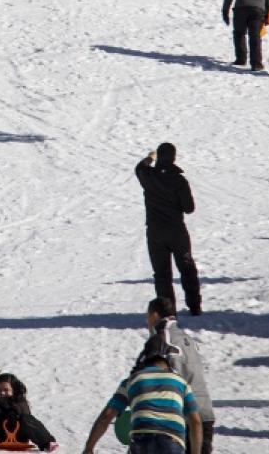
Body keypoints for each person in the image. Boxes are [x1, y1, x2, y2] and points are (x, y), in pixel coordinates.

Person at [82, 333, 203, 454]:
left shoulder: (132, 380)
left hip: (141, 441)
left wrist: (89, 448)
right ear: (168, 366)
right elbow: (196, 422)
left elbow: (107, 415)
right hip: (172, 442)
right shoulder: (180, 382)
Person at [136, 143, 202, 316]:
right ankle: (195, 306)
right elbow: (189, 208)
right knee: (187, 268)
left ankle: (168, 311)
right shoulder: (179, 180)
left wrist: (150, 158)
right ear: (173, 157)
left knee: (161, 274)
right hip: (176, 231)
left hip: (155, 232)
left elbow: (139, 167)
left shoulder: (148, 176)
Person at [146, 297, 215, 454]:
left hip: (184, 417)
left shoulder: (162, 340)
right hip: (205, 412)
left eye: (147, 316)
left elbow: (158, 378)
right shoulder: (187, 339)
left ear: (154, 315)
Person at [0, 373, 57, 451]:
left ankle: (47, 443)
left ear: (14, 390)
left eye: (6, 390)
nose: (2, 393)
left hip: (18, 434)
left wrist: (12, 411)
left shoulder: (19, 401)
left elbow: (24, 411)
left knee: (27, 419)